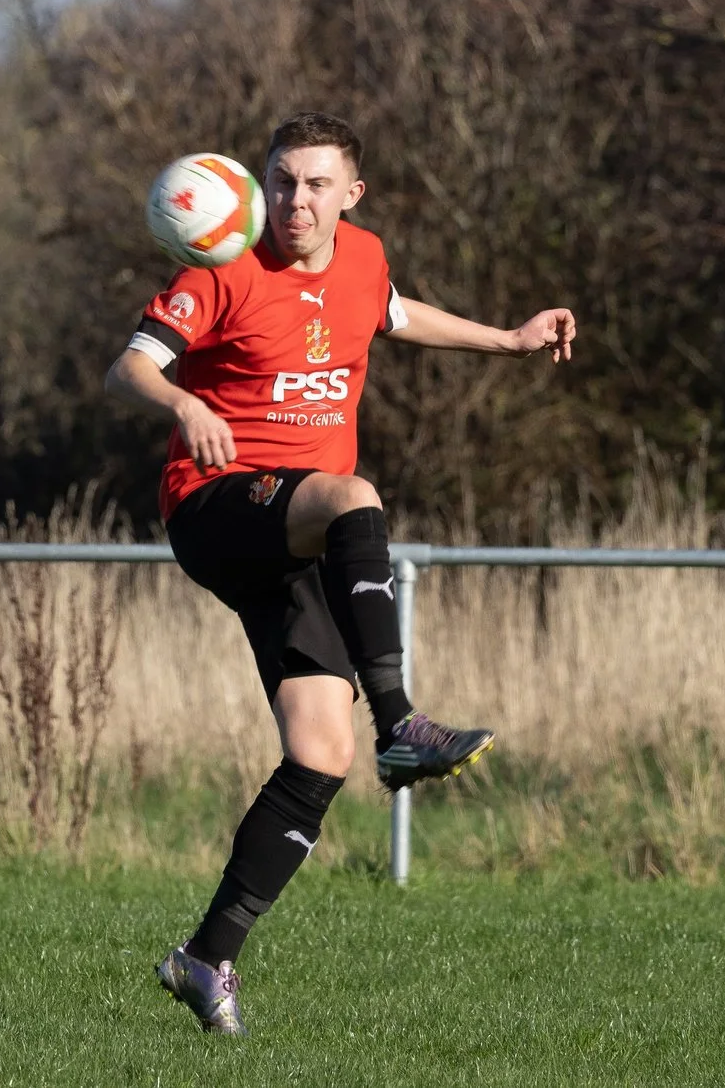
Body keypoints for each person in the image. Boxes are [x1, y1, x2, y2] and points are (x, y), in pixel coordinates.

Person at [106, 111, 576, 1035]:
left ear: (351, 194)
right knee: (353, 495)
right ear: (260, 185)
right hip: (215, 505)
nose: (296, 201)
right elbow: (129, 367)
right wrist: (184, 400)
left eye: (317, 184)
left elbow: (395, 314)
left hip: (295, 537)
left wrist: (511, 341)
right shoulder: (224, 264)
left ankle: (206, 959)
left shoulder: (363, 258)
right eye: (282, 180)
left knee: (320, 752)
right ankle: (402, 723)